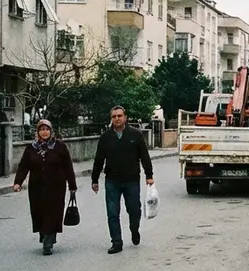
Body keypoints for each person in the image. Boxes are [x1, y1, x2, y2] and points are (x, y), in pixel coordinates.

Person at [92, 105, 154, 254]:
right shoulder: (106, 138)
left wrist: (149, 175)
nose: (117, 119)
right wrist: (94, 179)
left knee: (134, 209)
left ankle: (134, 229)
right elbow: (99, 159)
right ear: (111, 119)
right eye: (114, 116)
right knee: (112, 212)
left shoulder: (135, 135)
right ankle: (116, 242)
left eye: (119, 116)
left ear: (125, 118)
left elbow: (144, 156)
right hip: (112, 181)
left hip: (131, 180)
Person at [12, 119, 78, 256]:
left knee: (53, 213)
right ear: (38, 132)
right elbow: (23, 166)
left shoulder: (59, 146)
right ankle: (44, 234)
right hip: (36, 187)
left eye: (47, 129)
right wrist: (18, 182)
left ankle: (49, 241)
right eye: (42, 129)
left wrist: (72, 185)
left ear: (51, 130)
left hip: (56, 187)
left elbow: (68, 167)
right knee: (39, 212)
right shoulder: (31, 148)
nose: (45, 132)